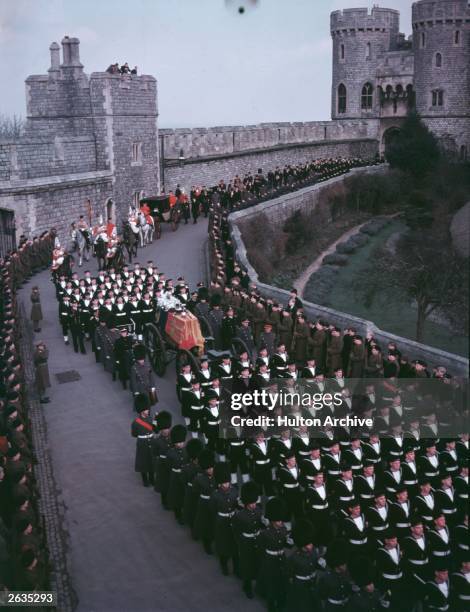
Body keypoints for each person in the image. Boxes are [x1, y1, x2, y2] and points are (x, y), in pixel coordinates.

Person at [131, 394, 154, 487]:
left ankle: (152, 479)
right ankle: (145, 480)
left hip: (151, 441)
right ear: (141, 411)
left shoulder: (151, 419)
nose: (148, 410)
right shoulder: (136, 422)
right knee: (143, 461)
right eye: (146, 409)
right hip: (142, 443)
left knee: (152, 460)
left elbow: (155, 429)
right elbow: (134, 434)